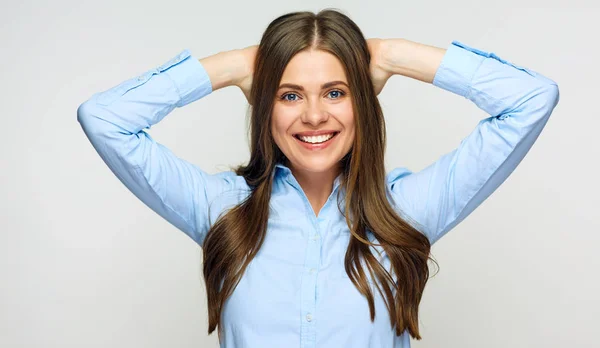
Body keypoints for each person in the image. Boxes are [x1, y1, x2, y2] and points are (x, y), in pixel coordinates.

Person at [77, 9, 560, 348]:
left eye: (335, 92)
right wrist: (236, 66)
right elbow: (104, 119)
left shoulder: (405, 210)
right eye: (288, 95)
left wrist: (392, 55)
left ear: (362, 104)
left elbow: (531, 99)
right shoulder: (221, 208)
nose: (313, 116)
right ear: (264, 106)